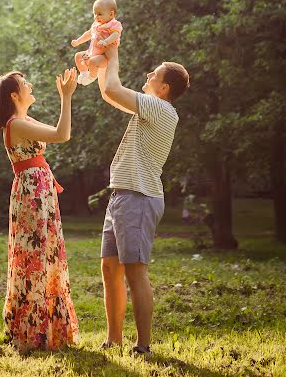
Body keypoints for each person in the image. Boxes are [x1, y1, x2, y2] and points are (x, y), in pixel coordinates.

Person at [97, 46, 189, 356]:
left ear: (164, 88)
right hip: (122, 195)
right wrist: (100, 59)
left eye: (155, 73)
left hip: (139, 196)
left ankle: (143, 346)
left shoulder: (160, 108)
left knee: (135, 272)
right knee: (110, 269)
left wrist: (114, 51)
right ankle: (114, 340)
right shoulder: (150, 107)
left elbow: (112, 87)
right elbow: (109, 93)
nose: (148, 75)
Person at [0, 68, 79, 352]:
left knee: (44, 254)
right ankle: (34, 330)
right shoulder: (15, 124)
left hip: (39, 191)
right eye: (24, 83)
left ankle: (49, 328)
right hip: (32, 194)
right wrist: (66, 97)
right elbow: (62, 134)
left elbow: (56, 133)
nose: (30, 84)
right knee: (34, 256)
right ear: (15, 95)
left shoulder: (24, 120)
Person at [71, 0, 123, 86]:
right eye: (94, 14)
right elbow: (88, 33)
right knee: (78, 56)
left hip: (104, 56)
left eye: (99, 14)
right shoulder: (96, 25)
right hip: (92, 52)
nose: (96, 17)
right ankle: (84, 73)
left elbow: (116, 34)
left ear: (111, 14)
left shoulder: (114, 24)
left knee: (93, 62)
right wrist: (78, 41)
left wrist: (106, 41)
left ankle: (91, 77)